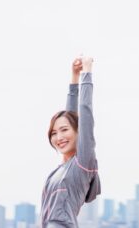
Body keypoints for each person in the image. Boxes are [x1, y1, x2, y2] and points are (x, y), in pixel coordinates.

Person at [41, 56, 101, 228]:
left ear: (78, 131)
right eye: (54, 133)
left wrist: (87, 74)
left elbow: (84, 113)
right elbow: (71, 117)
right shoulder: (60, 170)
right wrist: (74, 78)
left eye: (64, 130)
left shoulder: (83, 164)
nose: (59, 137)